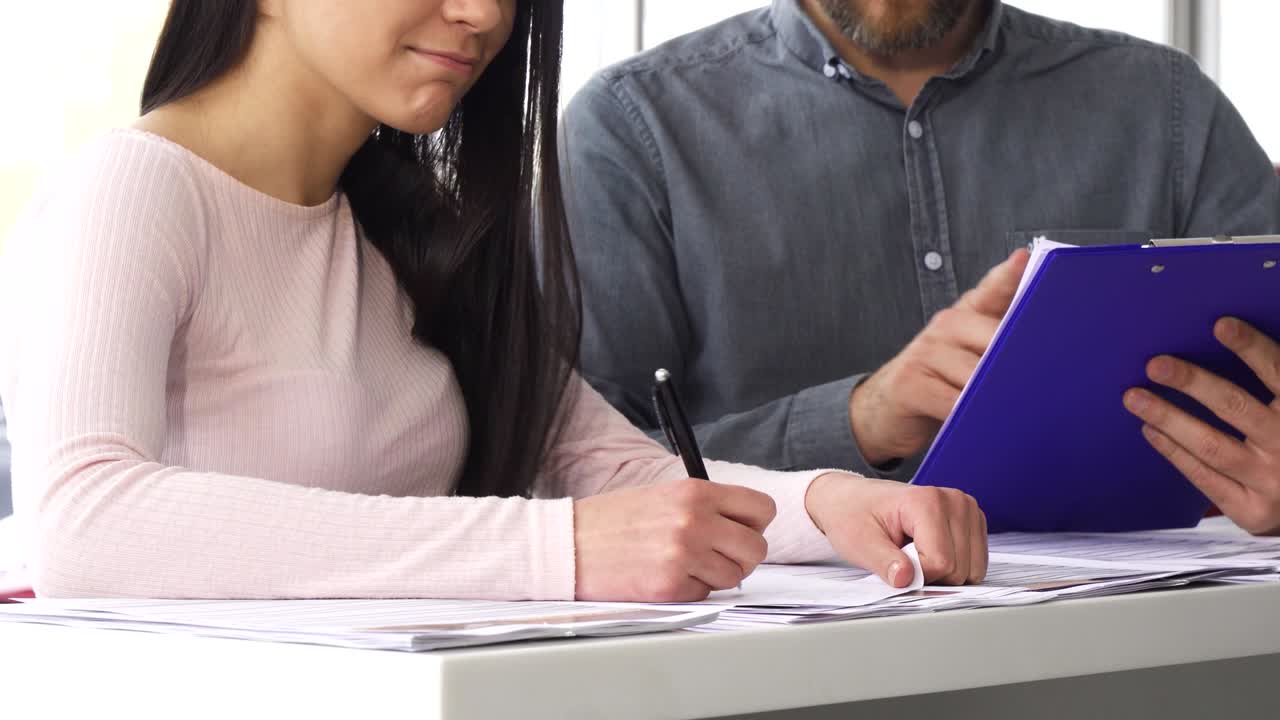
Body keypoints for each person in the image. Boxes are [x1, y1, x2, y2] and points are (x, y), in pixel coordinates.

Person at [0, 0, 987, 601]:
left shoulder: (410, 227)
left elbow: (599, 466)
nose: (482, 15)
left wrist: (835, 507)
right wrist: (551, 550)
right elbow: (85, 522)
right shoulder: (136, 188)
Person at [561, 0, 1280, 531]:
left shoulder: (1168, 106)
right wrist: (861, 419)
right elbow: (567, 476)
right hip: (769, 666)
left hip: (1156, 648)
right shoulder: (633, 127)